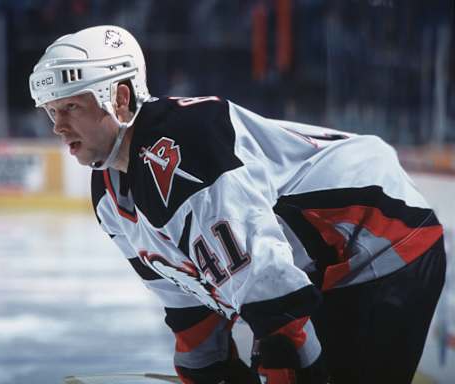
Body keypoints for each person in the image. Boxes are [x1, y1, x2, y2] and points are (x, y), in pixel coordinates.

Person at [29, 26, 446, 384]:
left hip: (381, 235)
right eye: (51, 112)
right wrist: (205, 369)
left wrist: (283, 358)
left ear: (119, 98)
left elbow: (272, 290)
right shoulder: (107, 191)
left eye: (70, 107)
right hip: (324, 262)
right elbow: (184, 298)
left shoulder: (184, 143)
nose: (58, 126)